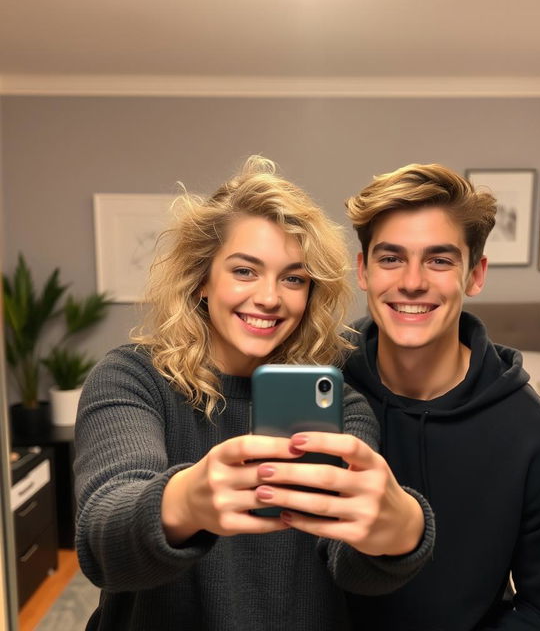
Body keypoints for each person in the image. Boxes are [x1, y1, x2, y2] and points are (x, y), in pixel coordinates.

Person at [73, 157, 435, 631]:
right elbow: (103, 539)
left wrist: (403, 532)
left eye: (293, 278)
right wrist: (185, 502)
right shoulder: (132, 378)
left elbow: (354, 568)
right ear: (202, 278)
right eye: (245, 271)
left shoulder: (339, 404)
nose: (270, 297)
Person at [342, 163, 540, 630]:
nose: (411, 281)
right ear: (363, 270)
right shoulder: (316, 383)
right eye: (390, 258)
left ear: (475, 274)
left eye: (439, 260)